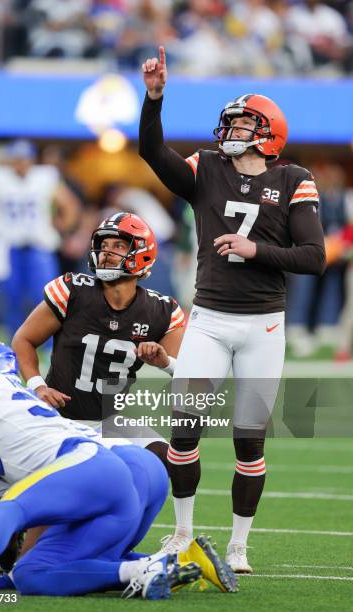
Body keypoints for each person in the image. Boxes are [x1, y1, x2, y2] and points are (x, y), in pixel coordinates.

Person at [139, 46, 326, 572]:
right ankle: (182, 534)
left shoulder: (293, 179)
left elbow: (314, 258)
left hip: (264, 324)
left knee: (249, 440)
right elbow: (153, 153)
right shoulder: (207, 167)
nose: (232, 130)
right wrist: (154, 100)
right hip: (212, 320)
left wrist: (255, 250)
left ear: (268, 132)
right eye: (232, 121)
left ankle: (240, 546)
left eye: (244, 123)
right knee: (185, 428)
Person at [0, 338, 237, 596]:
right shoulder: (14, 401)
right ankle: (175, 563)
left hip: (95, 468)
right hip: (136, 467)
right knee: (44, 565)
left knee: (16, 529)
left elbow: (10, 512)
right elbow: (40, 530)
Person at [12, 211, 185, 464]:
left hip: (110, 420)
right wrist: (37, 385)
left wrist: (165, 362)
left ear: (142, 253)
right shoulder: (72, 291)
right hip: (60, 417)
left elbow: (189, 378)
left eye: (117, 246)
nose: (106, 252)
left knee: (168, 458)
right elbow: (23, 340)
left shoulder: (162, 311)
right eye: (103, 245)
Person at [0, 139, 81, 339]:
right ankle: (16, 339)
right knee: (11, 298)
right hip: (8, 247)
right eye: (16, 159)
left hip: (38, 246)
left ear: (32, 160)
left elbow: (70, 206)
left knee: (46, 297)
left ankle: (49, 341)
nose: (20, 163)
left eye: (24, 159)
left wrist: (61, 228)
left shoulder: (45, 177)